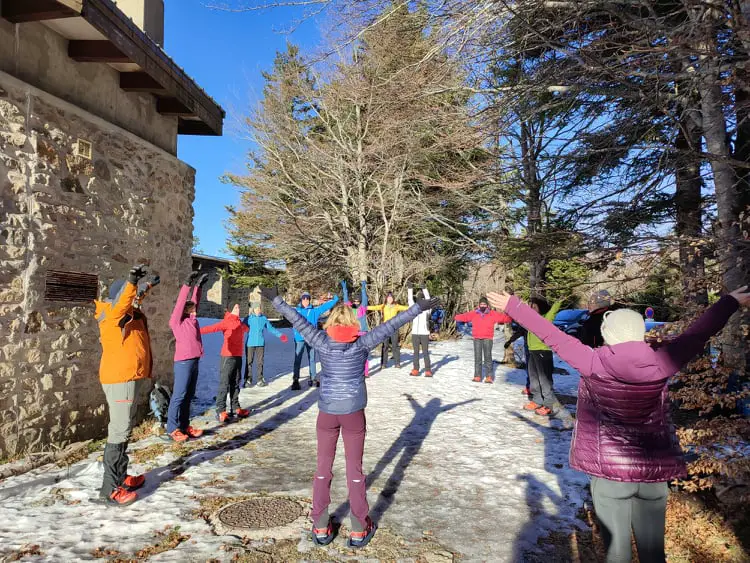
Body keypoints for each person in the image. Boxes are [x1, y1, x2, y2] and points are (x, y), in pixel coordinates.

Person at [487, 286, 750, 563]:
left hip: (609, 472)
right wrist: (730, 302)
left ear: (607, 334)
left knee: (617, 554)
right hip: (653, 472)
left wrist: (514, 306)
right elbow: (697, 334)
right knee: (653, 554)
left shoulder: (591, 360)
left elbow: (552, 336)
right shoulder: (663, 362)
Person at [261, 285, 439, 548]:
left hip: (327, 413)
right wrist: (417, 308)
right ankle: (358, 527)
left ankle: (320, 526)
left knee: (323, 469)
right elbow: (392, 325)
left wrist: (277, 300)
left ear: (331, 323)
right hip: (354, 413)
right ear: (353, 322)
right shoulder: (363, 342)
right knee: (354, 470)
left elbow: (296, 320)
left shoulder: (320, 339)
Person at [93, 264, 154, 506]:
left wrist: (147, 286)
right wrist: (131, 282)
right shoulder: (113, 315)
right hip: (120, 378)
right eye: (130, 293)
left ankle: (121, 476)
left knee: (125, 427)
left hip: (130, 376)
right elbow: (124, 301)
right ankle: (110, 489)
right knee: (119, 429)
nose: (135, 299)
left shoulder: (128, 312)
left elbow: (134, 299)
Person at [166, 270, 209, 442]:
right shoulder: (177, 322)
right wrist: (187, 284)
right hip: (183, 362)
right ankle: (172, 428)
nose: (195, 312)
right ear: (186, 311)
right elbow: (180, 304)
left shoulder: (192, 320)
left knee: (189, 395)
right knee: (179, 395)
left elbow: (194, 302)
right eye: (192, 310)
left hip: (194, 360)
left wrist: (198, 287)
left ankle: (184, 426)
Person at [201, 304, 250, 423]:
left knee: (236, 382)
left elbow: (247, 329)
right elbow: (211, 328)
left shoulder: (240, 323)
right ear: (230, 310)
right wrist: (194, 331)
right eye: (235, 308)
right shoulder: (226, 321)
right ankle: (220, 410)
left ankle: (235, 407)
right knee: (224, 383)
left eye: (239, 308)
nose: (238, 309)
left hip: (238, 356)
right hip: (227, 356)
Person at [454, 296, 512, 383]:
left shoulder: (492, 313)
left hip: (488, 338)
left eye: (484, 304)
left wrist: (510, 318)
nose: (483, 305)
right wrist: (456, 317)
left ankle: (489, 376)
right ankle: (477, 376)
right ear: (479, 305)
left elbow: (503, 318)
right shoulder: (474, 313)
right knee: (478, 358)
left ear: (487, 305)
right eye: (481, 304)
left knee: (488, 358)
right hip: (477, 338)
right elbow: (465, 316)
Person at [524, 297, 563, 416]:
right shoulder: (530, 320)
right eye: (530, 306)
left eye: (534, 306)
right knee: (534, 378)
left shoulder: (545, 318)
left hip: (543, 351)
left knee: (544, 379)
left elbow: (553, 311)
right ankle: (537, 400)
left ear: (540, 307)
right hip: (533, 351)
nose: (531, 308)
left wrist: (559, 300)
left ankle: (549, 405)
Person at [293, 290, 340, 389]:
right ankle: (296, 380)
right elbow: (285, 310)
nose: (305, 300)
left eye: (307, 299)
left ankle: (313, 378)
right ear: (301, 300)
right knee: (298, 359)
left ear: (309, 300)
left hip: (311, 339)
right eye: (304, 299)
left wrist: (335, 299)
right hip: (299, 338)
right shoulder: (296, 311)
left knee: (312, 359)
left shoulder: (314, 311)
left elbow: (325, 307)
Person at [243, 301, 288, 388]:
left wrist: (280, 335)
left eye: (259, 308)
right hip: (250, 343)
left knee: (260, 362)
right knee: (249, 362)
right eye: (256, 308)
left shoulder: (263, 318)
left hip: (260, 343)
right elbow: (240, 327)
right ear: (253, 309)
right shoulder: (248, 318)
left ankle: (260, 379)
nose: (258, 310)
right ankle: (248, 379)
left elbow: (271, 329)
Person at [368, 292, 409, 369]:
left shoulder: (396, 306)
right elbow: (374, 307)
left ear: (393, 299)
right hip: (385, 328)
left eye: (391, 298)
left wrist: (416, 306)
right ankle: (383, 364)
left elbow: (406, 308)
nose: (390, 299)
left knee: (395, 346)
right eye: (388, 298)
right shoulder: (383, 306)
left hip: (394, 328)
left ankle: (397, 363)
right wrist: (362, 307)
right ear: (386, 298)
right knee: (385, 346)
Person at [342, 280, 371, 376]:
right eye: (355, 301)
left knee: (364, 353)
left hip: (363, 332)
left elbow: (365, 299)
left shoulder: (363, 308)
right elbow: (346, 301)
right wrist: (344, 289)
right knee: (352, 353)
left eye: (358, 301)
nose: (356, 302)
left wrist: (363, 288)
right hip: (353, 333)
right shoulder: (350, 309)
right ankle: (354, 370)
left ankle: (365, 372)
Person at [407, 283, 432, 376]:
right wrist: (410, 288)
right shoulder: (414, 308)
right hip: (415, 333)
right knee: (416, 352)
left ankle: (428, 370)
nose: (420, 302)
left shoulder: (427, 309)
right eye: (419, 301)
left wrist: (425, 289)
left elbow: (429, 299)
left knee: (425, 352)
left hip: (424, 333)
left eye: (422, 300)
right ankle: (415, 369)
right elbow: (410, 300)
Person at [504, 323, 530, 395]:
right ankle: (529, 387)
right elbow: (519, 332)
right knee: (529, 369)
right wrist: (510, 341)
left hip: (539, 348)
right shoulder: (526, 323)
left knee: (537, 370)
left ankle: (538, 389)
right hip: (528, 347)